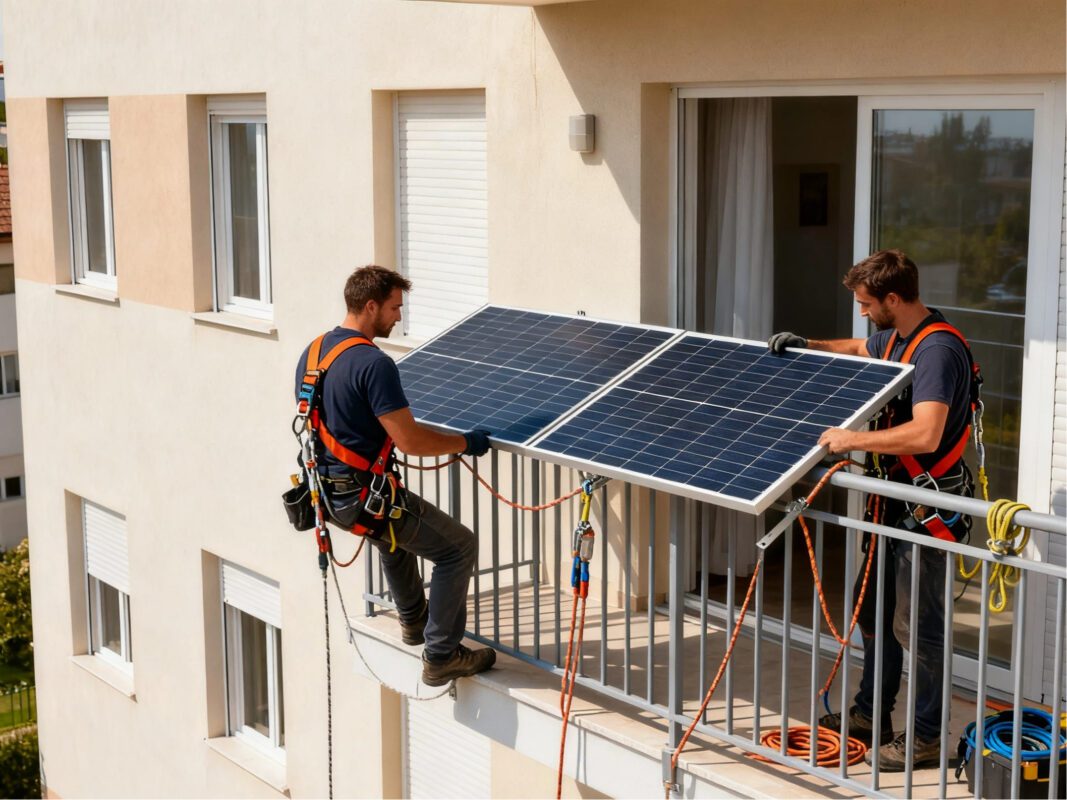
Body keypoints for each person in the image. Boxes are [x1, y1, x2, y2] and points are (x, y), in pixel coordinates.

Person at [768, 249, 976, 771]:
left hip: (927, 512)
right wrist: (810, 346)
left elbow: (927, 432)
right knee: (873, 616)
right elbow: (862, 347)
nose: (861, 311)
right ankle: (869, 715)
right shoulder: (898, 337)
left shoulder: (937, 351)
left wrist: (851, 438)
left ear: (893, 298)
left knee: (919, 631)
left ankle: (926, 737)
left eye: (865, 303)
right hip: (893, 504)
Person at [295, 265, 495, 687]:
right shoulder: (373, 363)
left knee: (392, 538)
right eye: (393, 308)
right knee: (458, 547)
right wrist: (466, 443)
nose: (398, 318)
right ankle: (441, 654)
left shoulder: (313, 353)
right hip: (365, 498)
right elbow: (410, 441)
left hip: (331, 498)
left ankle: (413, 621)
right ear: (370, 306)